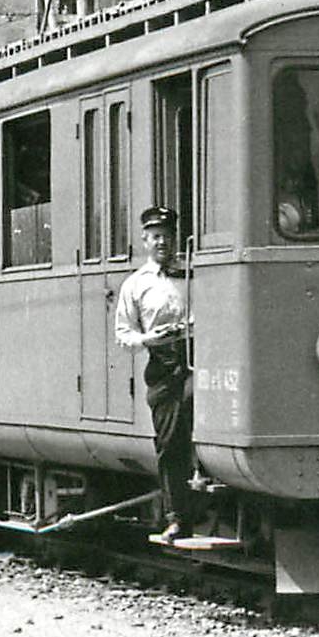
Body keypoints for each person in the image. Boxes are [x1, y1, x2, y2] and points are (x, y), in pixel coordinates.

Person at [114, 205, 197, 542]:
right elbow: (124, 334)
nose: (162, 242)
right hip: (163, 365)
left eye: (167, 236)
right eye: (156, 237)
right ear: (145, 241)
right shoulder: (135, 285)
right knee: (169, 441)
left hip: (198, 357)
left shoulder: (193, 274)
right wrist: (150, 338)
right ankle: (177, 517)